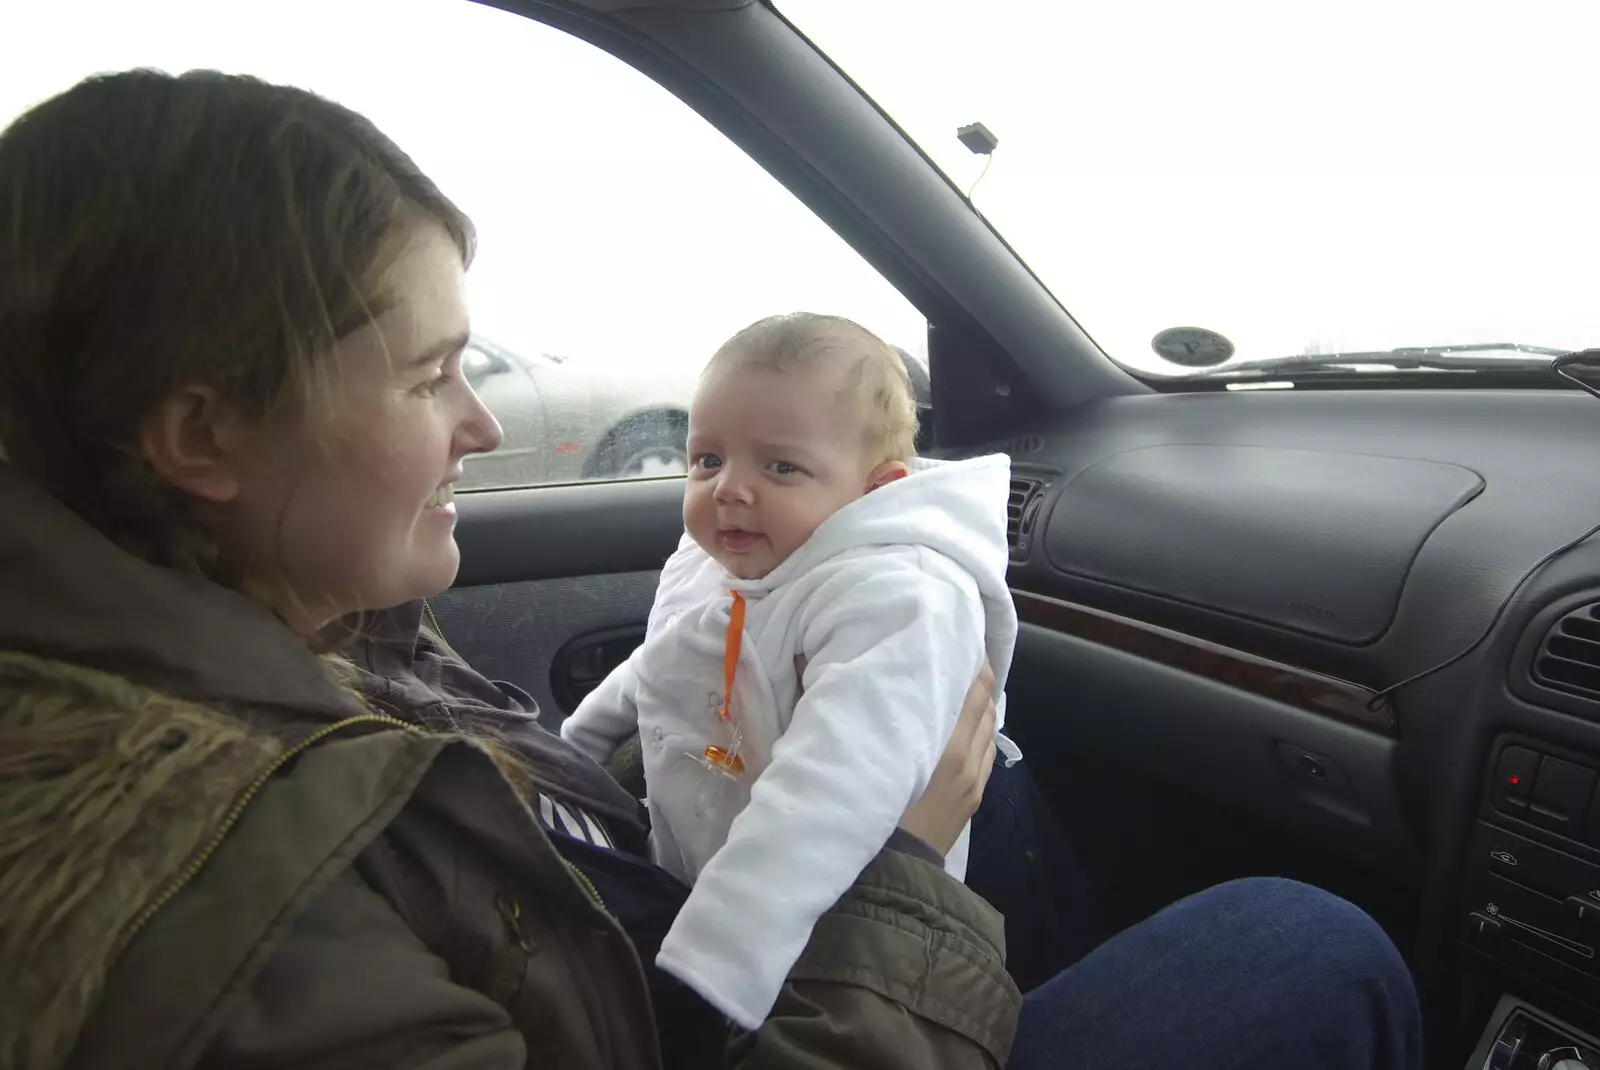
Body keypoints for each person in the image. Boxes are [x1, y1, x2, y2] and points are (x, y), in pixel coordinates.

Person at [0, 69, 1423, 1070]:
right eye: (432, 374)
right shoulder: (232, 910)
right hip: (732, 1007)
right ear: (203, 435)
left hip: (700, 958)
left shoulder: (300, 631)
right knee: (1306, 940)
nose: (482, 423)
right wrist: (912, 866)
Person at [559, 312, 1023, 1026]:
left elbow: (833, 785)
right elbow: (664, 664)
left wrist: (717, 952)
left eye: (780, 466)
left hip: (830, 921)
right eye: (708, 460)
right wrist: (575, 753)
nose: (729, 490)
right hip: (702, 872)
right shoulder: (736, 560)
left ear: (877, 491)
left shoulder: (897, 595)